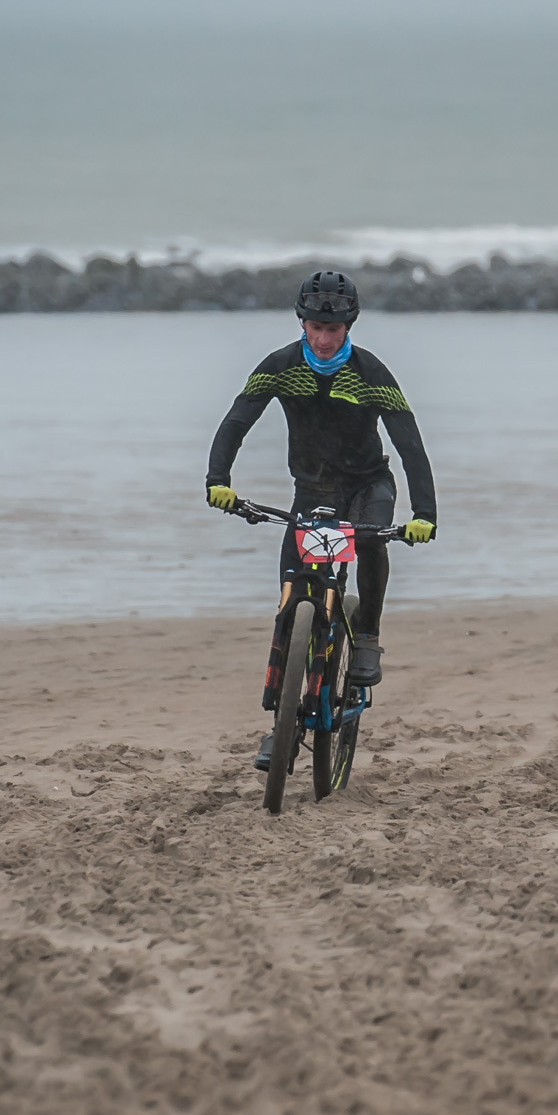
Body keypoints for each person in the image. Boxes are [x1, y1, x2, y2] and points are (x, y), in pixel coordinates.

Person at [205, 270, 437, 760]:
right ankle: (281, 724)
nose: (324, 339)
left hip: (368, 486)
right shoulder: (280, 367)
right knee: (292, 601)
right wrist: (218, 481)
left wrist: (424, 513)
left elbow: (410, 445)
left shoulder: (370, 372)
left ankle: (367, 635)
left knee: (369, 540)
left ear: (349, 326)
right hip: (313, 491)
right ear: (302, 323)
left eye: (334, 329)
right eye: (316, 328)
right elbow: (236, 422)